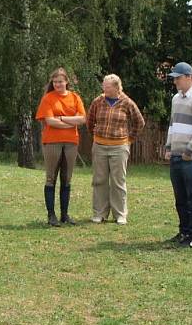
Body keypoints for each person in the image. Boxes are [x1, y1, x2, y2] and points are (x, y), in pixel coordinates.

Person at [86, 74, 145, 224]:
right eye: (103, 86)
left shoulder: (127, 103)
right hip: (99, 146)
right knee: (99, 180)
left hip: (119, 147)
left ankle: (120, 214)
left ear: (116, 87)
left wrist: (129, 139)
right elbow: (90, 120)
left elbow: (139, 122)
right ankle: (99, 213)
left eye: (107, 86)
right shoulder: (98, 101)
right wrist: (95, 136)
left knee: (118, 181)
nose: (104, 88)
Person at [164, 62, 192, 248]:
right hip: (176, 155)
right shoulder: (176, 99)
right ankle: (184, 231)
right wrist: (169, 147)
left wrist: (189, 150)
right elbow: (173, 125)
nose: (175, 81)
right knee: (180, 198)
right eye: (174, 78)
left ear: (189, 77)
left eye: (178, 78)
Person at [35, 67, 87, 226]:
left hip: (71, 142)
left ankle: (65, 214)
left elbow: (82, 119)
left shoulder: (75, 97)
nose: (58, 84)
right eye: (55, 82)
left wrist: (62, 119)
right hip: (52, 142)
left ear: (66, 82)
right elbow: (50, 121)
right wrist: (71, 122)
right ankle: (51, 216)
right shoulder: (48, 98)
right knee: (51, 178)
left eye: (60, 81)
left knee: (67, 178)